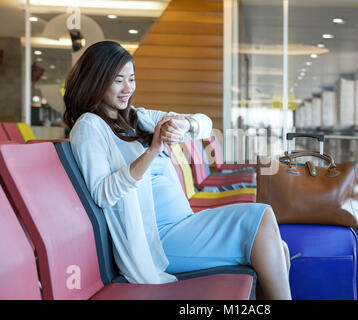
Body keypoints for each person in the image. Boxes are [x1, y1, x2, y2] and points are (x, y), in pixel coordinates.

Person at [64, 41, 291, 300]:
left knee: (279, 248)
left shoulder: (137, 117)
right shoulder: (89, 127)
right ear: (97, 79)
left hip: (183, 225)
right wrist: (151, 151)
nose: (128, 88)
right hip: (157, 242)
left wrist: (186, 125)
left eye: (132, 79)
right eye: (118, 80)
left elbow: (205, 124)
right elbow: (103, 194)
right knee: (260, 218)